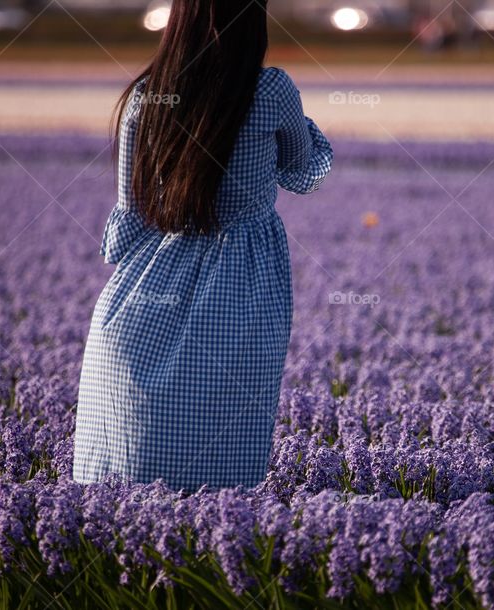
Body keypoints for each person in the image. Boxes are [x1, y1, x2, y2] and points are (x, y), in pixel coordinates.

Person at [71, 0, 333, 492]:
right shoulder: (271, 90)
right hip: (241, 292)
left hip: (136, 306)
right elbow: (304, 171)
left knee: (120, 487)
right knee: (221, 483)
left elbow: (127, 224)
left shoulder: (144, 98)